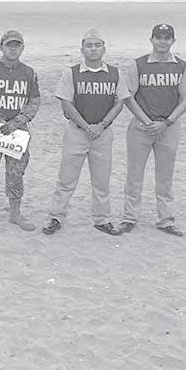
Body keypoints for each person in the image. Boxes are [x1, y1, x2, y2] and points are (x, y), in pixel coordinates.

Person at [44, 29, 129, 236]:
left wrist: (101, 125)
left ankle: (102, 219)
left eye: (97, 45)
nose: (93, 49)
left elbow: (119, 103)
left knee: (101, 180)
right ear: (82, 49)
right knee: (66, 178)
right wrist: (85, 126)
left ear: (104, 48)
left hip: (103, 134)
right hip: (76, 133)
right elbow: (67, 104)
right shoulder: (71, 73)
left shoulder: (115, 74)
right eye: (89, 45)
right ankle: (56, 217)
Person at [120, 24, 186, 236]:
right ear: (151, 39)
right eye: (158, 37)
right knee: (134, 174)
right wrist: (147, 122)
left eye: (167, 38)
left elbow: (185, 100)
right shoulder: (138, 65)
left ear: (173, 41)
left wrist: (166, 122)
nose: (162, 41)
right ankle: (129, 217)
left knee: (165, 175)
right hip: (141, 127)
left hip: (169, 128)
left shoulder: (181, 66)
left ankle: (165, 220)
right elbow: (128, 97)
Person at [0, 30, 41, 231]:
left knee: (16, 173)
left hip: (18, 131)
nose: (13, 49)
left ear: (23, 48)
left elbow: (34, 100)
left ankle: (15, 214)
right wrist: (0, 121)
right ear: (1, 47)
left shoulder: (29, 73)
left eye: (17, 45)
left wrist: (17, 122)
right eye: (9, 45)